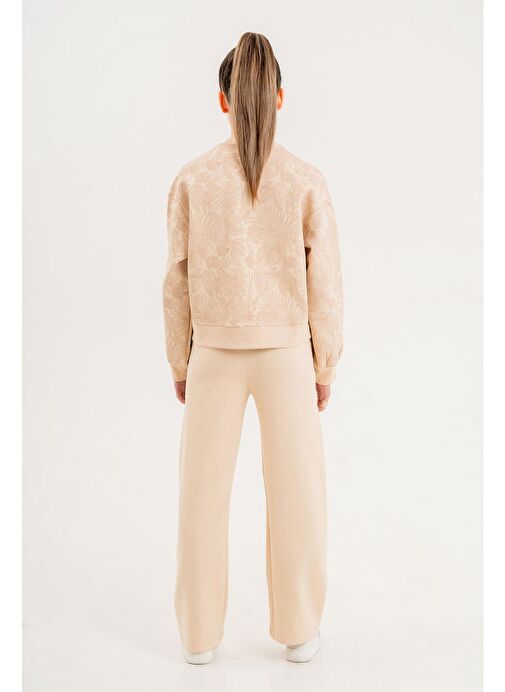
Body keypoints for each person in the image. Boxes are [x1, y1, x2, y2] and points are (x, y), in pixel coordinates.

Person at [162, 32, 343, 665]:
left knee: (201, 496)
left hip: (213, 352)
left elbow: (177, 279)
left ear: (223, 100)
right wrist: (325, 363)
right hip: (287, 353)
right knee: (298, 494)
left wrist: (180, 360)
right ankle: (300, 631)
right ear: (280, 96)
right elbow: (325, 282)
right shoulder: (306, 180)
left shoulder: (192, 179)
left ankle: (198, 639)